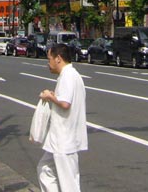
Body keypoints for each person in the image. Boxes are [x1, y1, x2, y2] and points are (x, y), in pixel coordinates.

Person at [37, 43, 87, 192]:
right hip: (61, 138)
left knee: (68, 183)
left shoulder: (68, 76)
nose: (48, 63)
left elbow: (65, 103)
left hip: (65, 139)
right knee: (44, 169)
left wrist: (49, 97)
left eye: (49, 59)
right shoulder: (71, 75)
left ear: (58, 58)